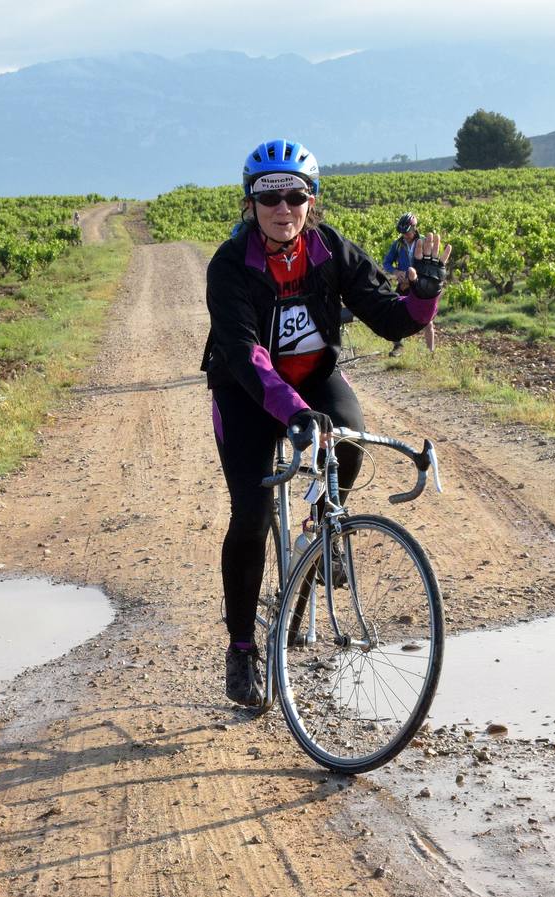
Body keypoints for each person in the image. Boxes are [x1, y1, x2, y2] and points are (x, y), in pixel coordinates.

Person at [201, 139, 451, 707]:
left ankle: (321, 539)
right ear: (250, 203)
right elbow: (243, 353)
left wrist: (425, 298)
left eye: (295, 195)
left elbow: (387, 317)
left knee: (349, 440)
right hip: (246, 392)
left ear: (311, 201)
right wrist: (291, 413)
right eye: (270, 197)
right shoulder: (229, 265)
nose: (283, 208)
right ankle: (241, 649)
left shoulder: (331, 250)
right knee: (251, 514)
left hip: (313, 379)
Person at [382, 213, 437, 355]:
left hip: (420, 285)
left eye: (407, 232)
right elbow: (387, 263)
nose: (405, 235)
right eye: (402, 233)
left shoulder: (425, 242)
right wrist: (395, 272)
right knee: (393, 314)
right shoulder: (398, 244)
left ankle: (431, 352)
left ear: (414, 228)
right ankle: (398, 346)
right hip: (404, 285)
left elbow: (431, 265)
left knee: (427, 320)